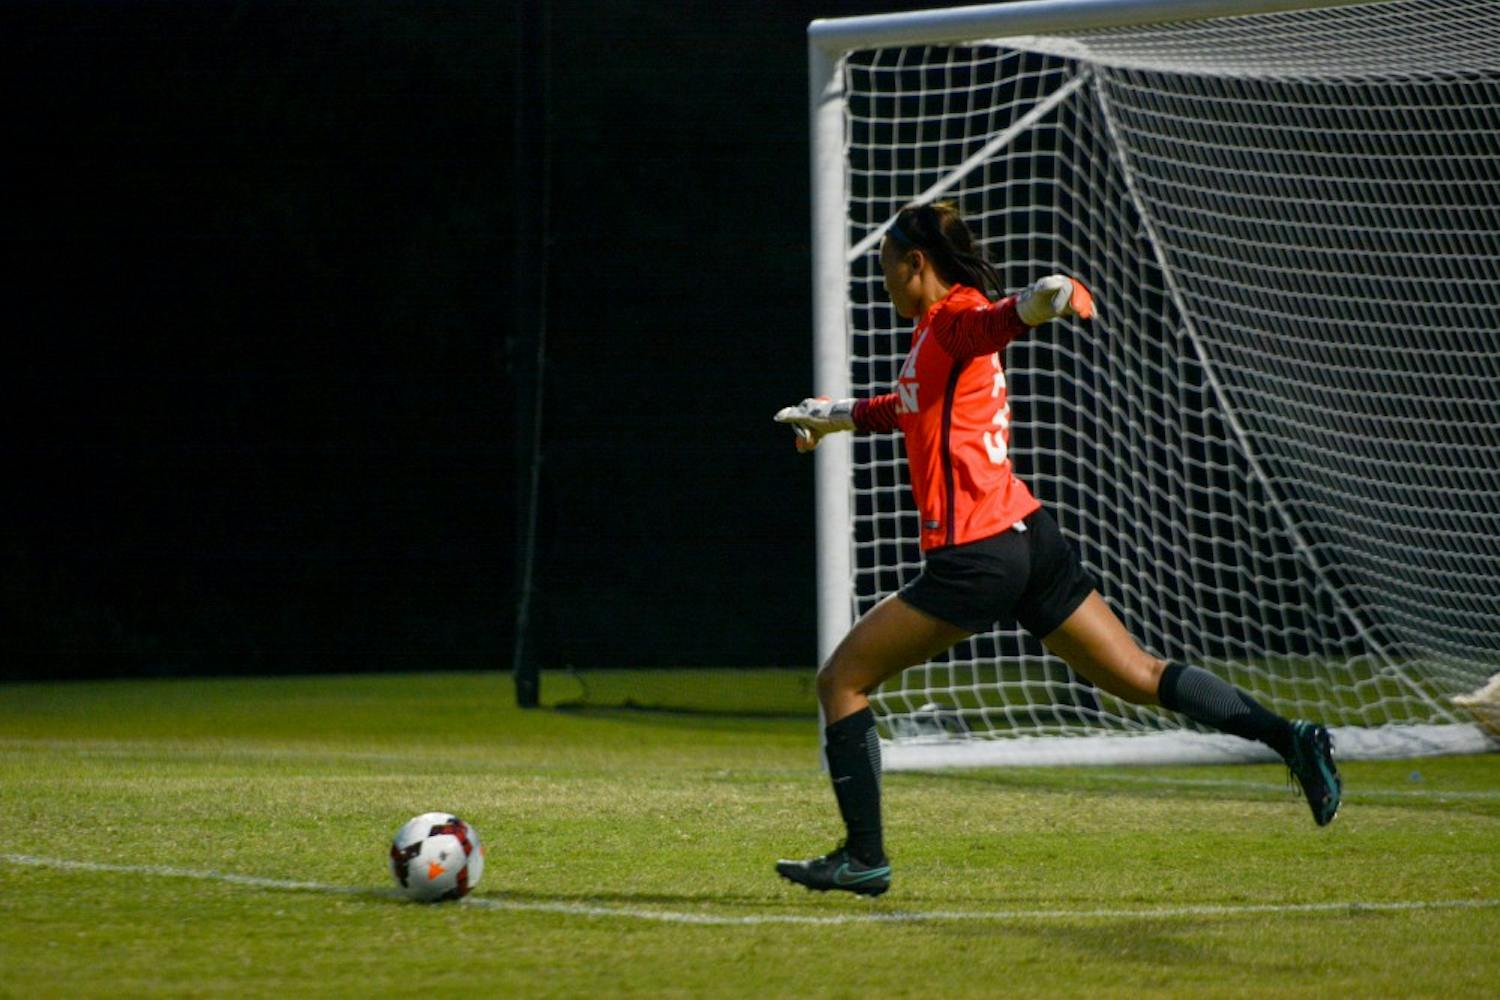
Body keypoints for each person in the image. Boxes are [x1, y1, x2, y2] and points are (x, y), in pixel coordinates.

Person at [772, 200, 1341, 898]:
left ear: (917, 263)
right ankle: (1294, 740)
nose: (883, 279)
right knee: (1139, 672)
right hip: (1028, 538)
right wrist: (831, 417)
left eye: (887, 265)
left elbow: (998, 323)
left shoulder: (956, 319)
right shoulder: (934, 331)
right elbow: (906, 406)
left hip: (977, 556)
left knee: (842, 682)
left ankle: (865, 857)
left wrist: (1045, 300)